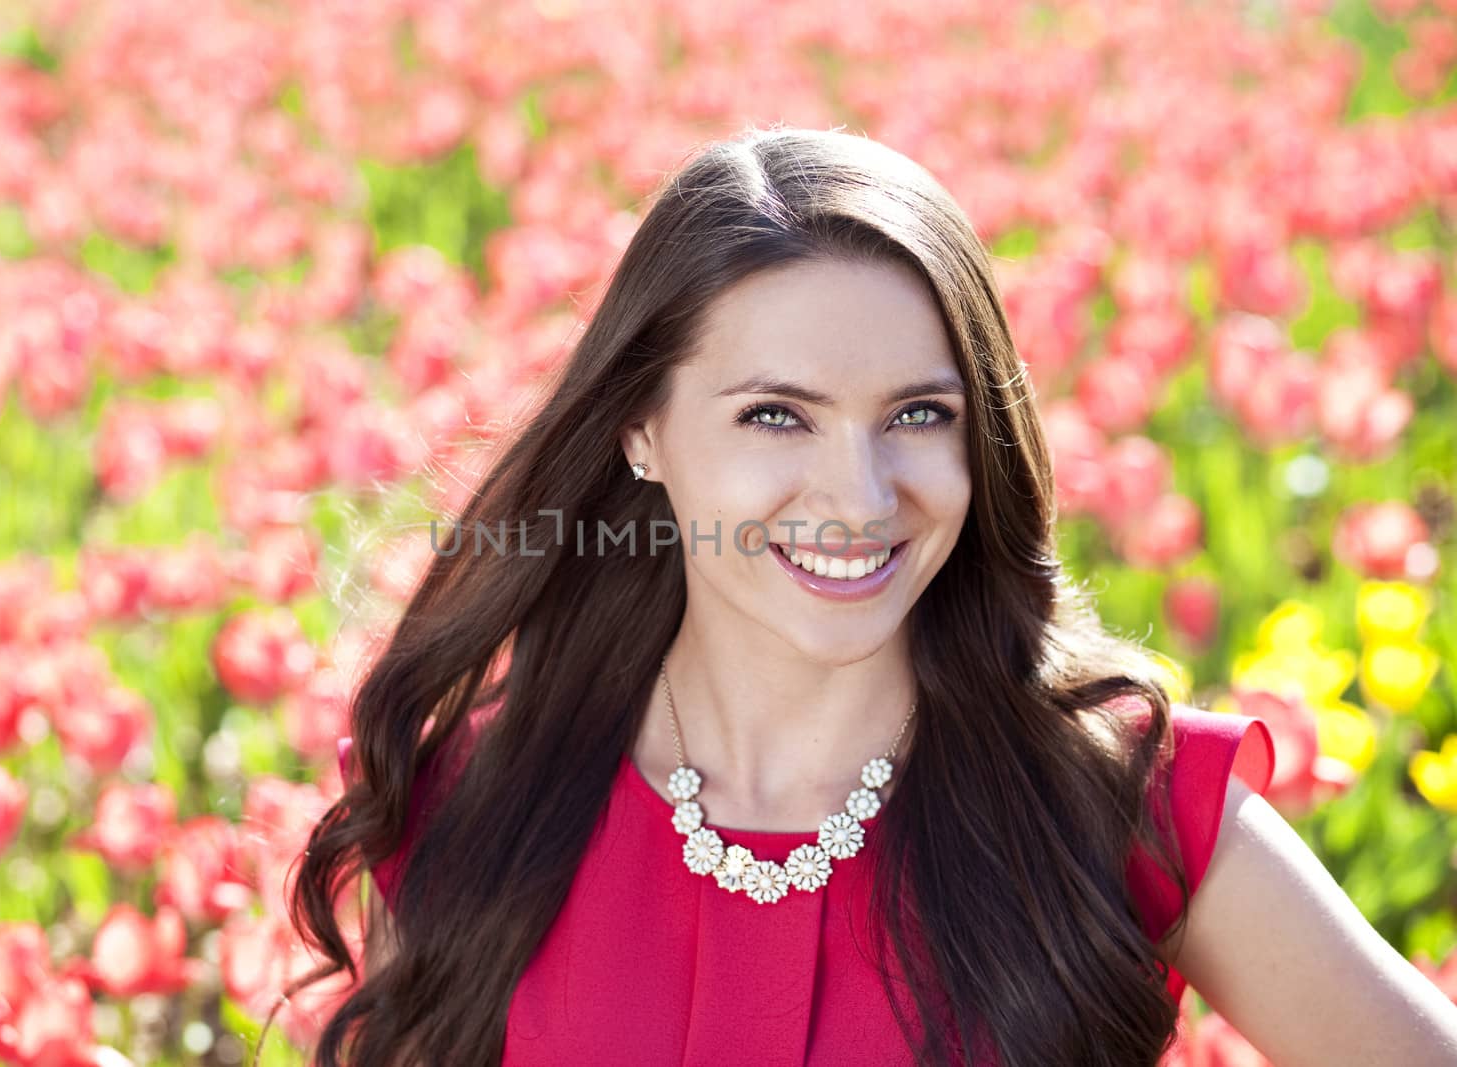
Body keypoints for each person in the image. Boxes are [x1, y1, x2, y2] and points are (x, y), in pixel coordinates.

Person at [281, 126, 1457, 1066]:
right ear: (641, 426)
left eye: (916, 415)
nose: (858, 493)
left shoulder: (1130, 811)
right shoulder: (473, 808)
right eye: (775, 414)